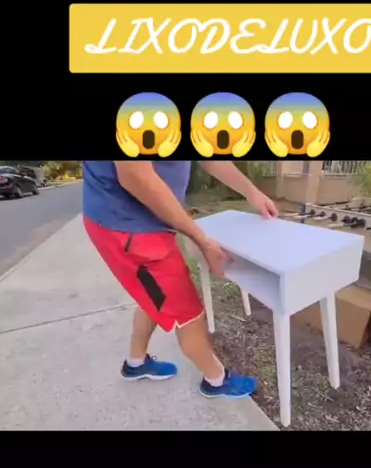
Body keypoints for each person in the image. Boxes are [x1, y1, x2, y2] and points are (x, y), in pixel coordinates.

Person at [83, 161, 279, 399]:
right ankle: (216, 380)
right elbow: (135, 175)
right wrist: (201, 240)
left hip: (142, 222)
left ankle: (136, 362)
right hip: (128, 227)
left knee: (154, 294)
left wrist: (252, 192)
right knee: (188, 313)